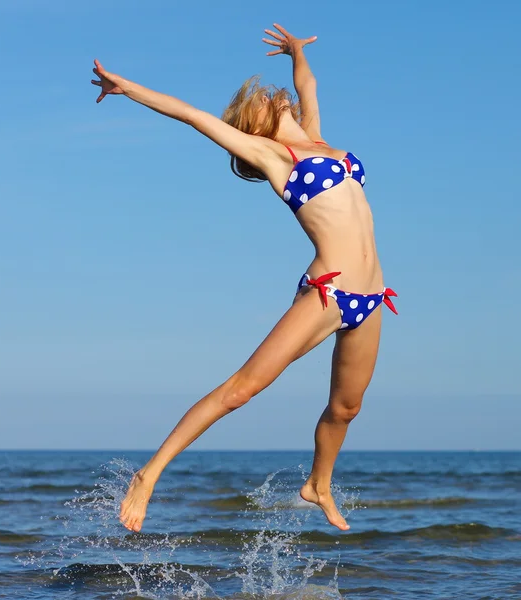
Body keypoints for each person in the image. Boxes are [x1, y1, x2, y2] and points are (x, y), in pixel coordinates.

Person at [91, 23, 397, 533]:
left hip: (371, 296)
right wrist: (129, 88)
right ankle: (149, 474)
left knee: (346, 408)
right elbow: (192, 116)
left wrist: (297, 52)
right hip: (330, 292)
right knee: (240, 390)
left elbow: (308, 86)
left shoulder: (318, 138)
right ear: (254, 127)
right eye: (263, 103)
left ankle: (319, 485)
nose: (276, 98)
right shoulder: (275, 158)